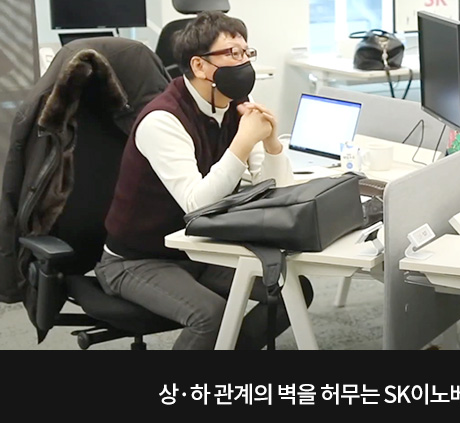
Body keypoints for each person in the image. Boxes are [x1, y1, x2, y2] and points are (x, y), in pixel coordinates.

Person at [95, 11, 310, 350]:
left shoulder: (238, 104)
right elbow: (196, 205)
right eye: (232, 53)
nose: (243, 62)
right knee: (210, 315)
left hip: (200, 248)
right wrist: (243, 143)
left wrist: (271, 143)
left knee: (292, 288)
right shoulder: (162, 120)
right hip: (137, 259)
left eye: (247, 52)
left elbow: (278, 192)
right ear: (199, 65)